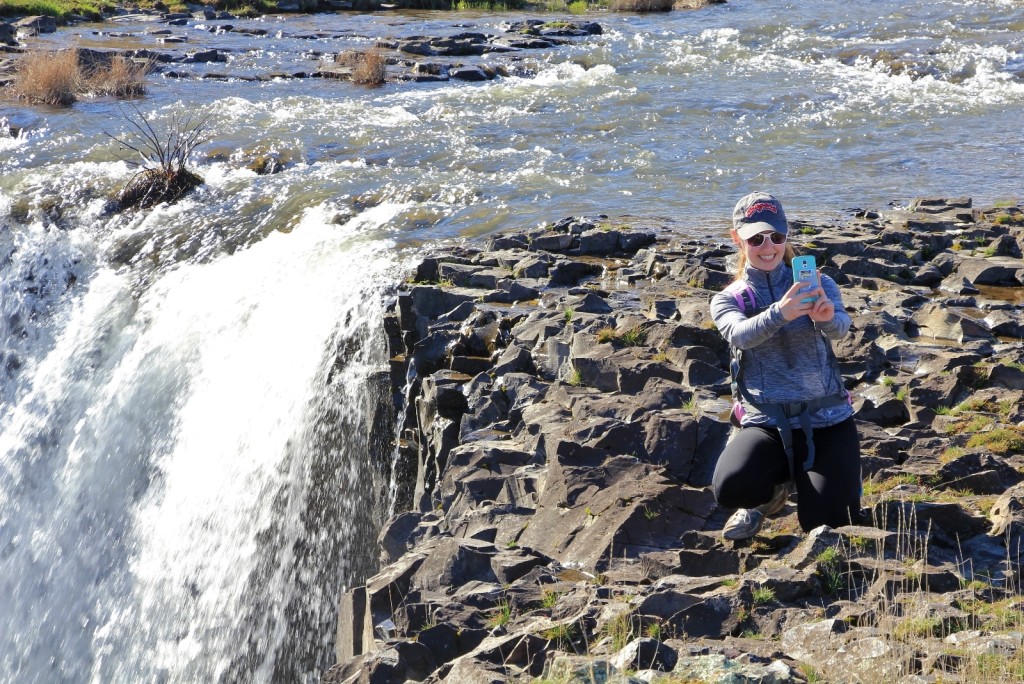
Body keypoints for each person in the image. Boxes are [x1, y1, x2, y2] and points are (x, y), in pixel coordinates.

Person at [710, 192, 861, 541]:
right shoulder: (729, 298)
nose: (768, 246)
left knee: (826, 524)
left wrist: (825, 318)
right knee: (730, 489)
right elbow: (739, 335)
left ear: (786, 235)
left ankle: (824, 481)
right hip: (768, 423)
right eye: (756, 238)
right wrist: (782, 312)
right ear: (738, 239)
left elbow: (840, 329)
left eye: (776, 237)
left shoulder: (819, 282)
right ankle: (771, 495)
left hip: (827, 419)